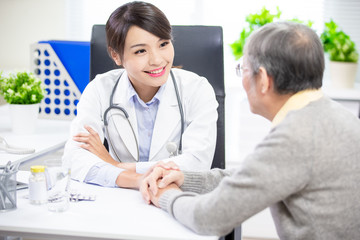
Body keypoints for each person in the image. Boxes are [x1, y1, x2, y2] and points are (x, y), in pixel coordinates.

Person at [140, 21, 360, 239]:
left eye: (242, 69)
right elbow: (254, 175)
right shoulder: (334, 117)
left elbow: (208, 218)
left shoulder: (295, 138)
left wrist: (166, 196)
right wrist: (184, 178)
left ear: (263, 79)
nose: (243, 77)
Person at [62, 1, 218, 189]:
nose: (157, 60)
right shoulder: (99, 89)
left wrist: (115, 165)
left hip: (175, 197)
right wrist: (135, 179)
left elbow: (197, 164)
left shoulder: (197, 89)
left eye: (163, 44)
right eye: (141, 51)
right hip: (118, 199)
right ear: (116, 55)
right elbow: (74, 159)